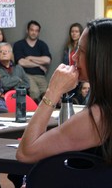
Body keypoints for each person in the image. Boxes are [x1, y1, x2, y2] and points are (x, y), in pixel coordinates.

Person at [16, 19, 112, 168]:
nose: (74, 57)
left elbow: (25, 152)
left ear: (100, 58)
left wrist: (53, 91)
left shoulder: (99, 117)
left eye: (81, 51)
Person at [13, 20, 52, 103]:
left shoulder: (42, 44)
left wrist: (30, 57)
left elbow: (47, 60)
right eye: (32, 30)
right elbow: (21, 62)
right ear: (27, 30)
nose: (34, 32)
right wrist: (38, 65)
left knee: (47, 95)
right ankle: (35, 114)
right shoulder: (19, 44)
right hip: (26, 75)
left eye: (36, 31)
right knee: (35, 93)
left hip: (40, 76)